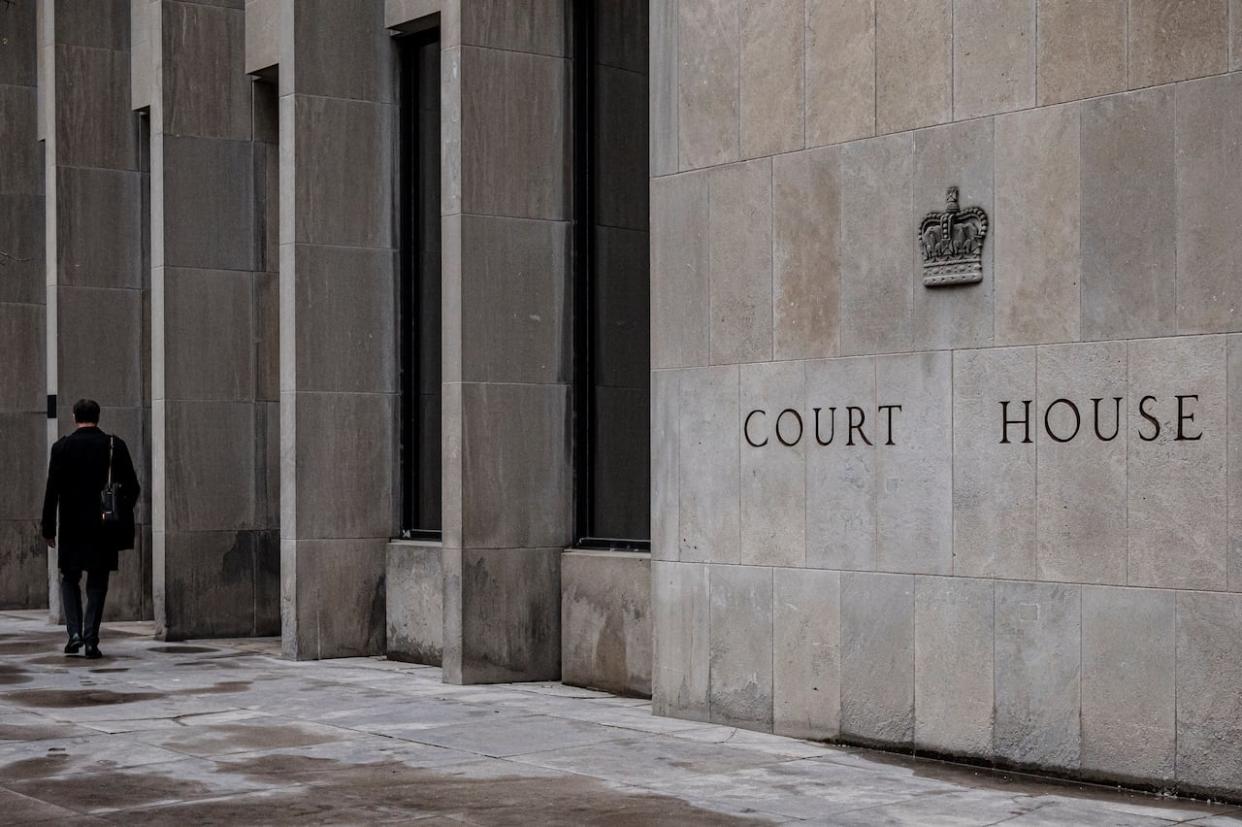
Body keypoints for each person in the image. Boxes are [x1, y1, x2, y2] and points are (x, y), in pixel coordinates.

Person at [41, 399, 140, 659]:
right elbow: (133, 487)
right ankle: (91, 639)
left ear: (75, 417)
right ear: (98, 416)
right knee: (98, 581)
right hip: (103, 525)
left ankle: (73, 633)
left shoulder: (61, 447)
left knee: (70, 578)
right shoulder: (113, 446)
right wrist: (119, 508)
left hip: (72, 525)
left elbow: (52, 491)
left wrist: (48, 527)